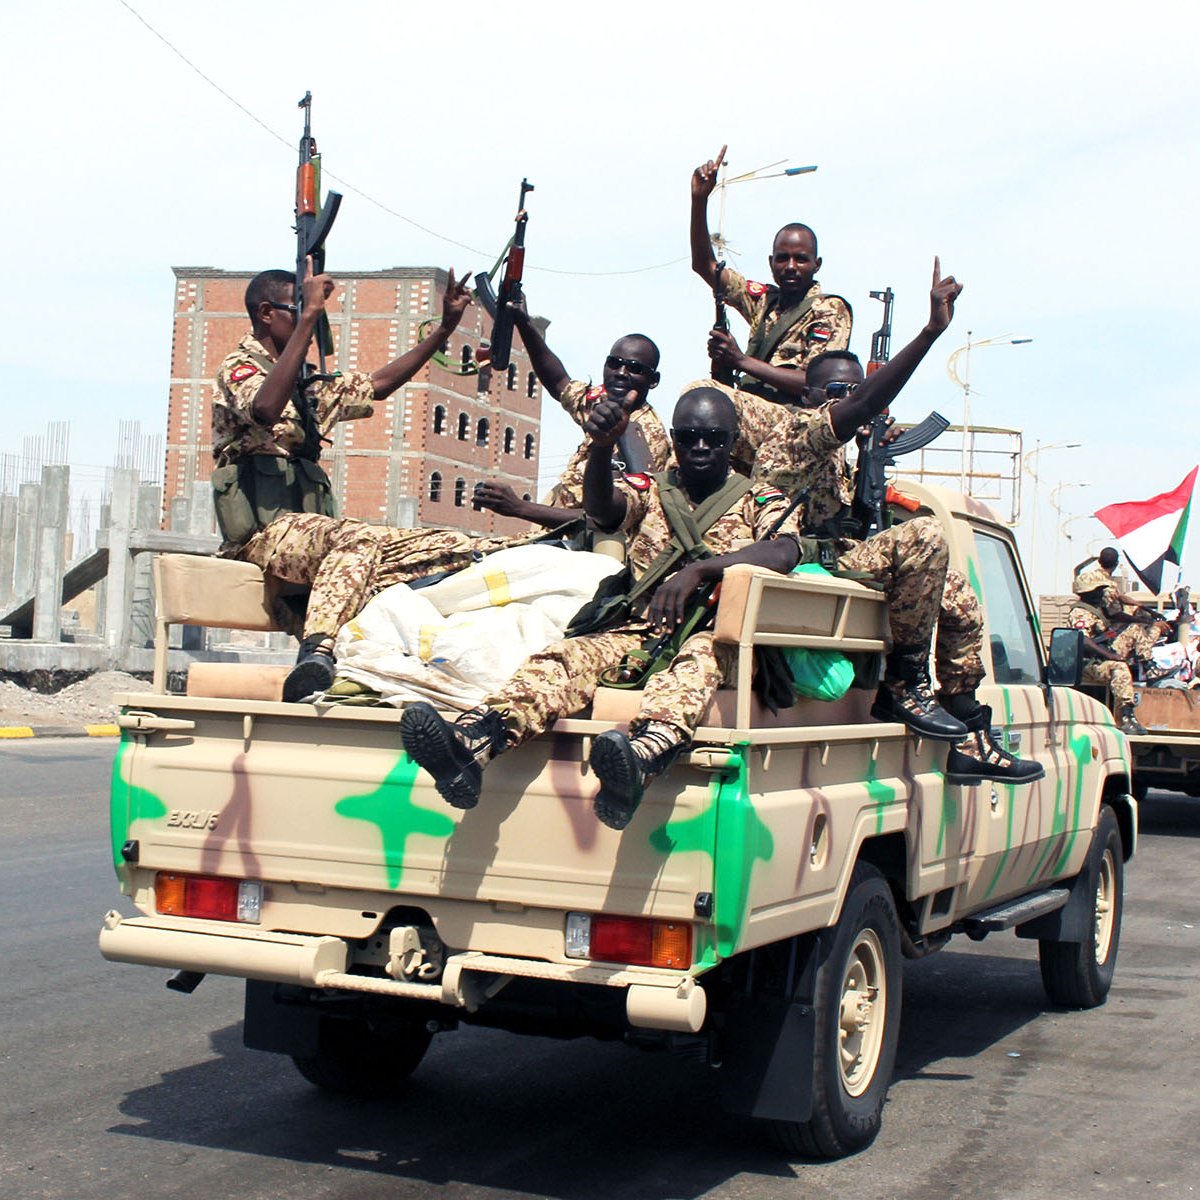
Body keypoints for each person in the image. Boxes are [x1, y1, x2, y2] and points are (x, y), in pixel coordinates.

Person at [400, 385, 804, 830]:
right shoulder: (650, 490)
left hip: (717, 635)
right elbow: (603, 510)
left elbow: (784, 551)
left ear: (733, 440)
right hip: (642, 629)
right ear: (674, 438)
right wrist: (601, 448)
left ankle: (642, 758)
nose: (701, 447)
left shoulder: (759, 499)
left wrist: (701, 571)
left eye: (714, 436)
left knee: (696, 663)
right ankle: (475, 742)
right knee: (564, 659)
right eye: (689, 436)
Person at [744, 258, 1044, 785]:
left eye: (851, 392)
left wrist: (869, 482)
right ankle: (903, 685)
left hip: (834, 557)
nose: (847, 404)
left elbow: (854, 519)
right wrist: (929, 332)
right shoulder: (797, 433)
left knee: (957, 595)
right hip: (796, 562)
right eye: (835, 395)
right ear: (810, 399)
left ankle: (967, 726)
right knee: (927, 537)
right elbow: (863, 405)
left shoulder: (843, 453)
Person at [211, 260, 490, 701]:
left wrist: (444, 330)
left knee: (450, 547)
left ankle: (391, 668)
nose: (315, 317)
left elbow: (378, 385)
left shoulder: (304, 384)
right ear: (267, 314)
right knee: (357, 538)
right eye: (298, 309)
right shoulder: (240, 367)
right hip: (262, 535)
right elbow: (265, 409)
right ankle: (318, 651)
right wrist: (308, 321)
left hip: (313, 537)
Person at [472, 307, 671, 527]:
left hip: (589, 548)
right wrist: (523, 324)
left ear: (653, 380)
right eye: (614, 363)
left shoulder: (645, 435)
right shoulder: (604, 404)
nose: (621, 373)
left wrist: (519, 507)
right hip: (555, 537)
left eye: (635, 368)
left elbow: (610, 517)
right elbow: (559, 383)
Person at [689, 145, 852, 405]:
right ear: (770, 262)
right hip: (752, 407)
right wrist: (699, 201)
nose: (790, 266)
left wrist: (740, 360)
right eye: (782, 258)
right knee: (700, 396)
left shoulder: (828, 310)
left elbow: (819, 384)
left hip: (792, 421)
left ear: (816, 264)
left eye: (801, 259)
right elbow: (705, 266)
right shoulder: (764, 301)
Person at [1070, 549, 1169, 733]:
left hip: (1101, 655)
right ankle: (1127, 717)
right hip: (1088, 664)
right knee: (1119, 668)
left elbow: (1118, 613)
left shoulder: (1098, 609)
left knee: (1135, 628)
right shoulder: (1080, 613)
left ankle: (1148, 667)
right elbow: (1082, 640)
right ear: (1089, 593)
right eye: (1099, 591)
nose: (1103, 594)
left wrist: (1147, 619)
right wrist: (1111, 655)